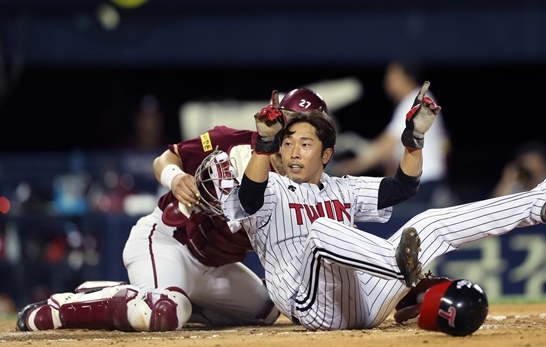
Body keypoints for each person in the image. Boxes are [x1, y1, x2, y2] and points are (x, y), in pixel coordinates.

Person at [222, 81, 546, 332]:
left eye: (305, 143)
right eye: (287, 143)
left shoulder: (342, 188)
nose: (294, 151)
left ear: (326, 154)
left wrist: (414, 141)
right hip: (311, 305)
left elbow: (403, 186)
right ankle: (400, 268)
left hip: (366, 301)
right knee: (323, 230)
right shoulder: (269, 187)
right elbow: (250, 198)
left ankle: (538, 202)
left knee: (429, 223)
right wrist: (264, 142)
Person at [16, 87, 329, 332]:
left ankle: (128, 293)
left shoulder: (305, 186)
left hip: (216, 266)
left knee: (265, 310)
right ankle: (61, 309)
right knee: (162, 312)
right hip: (169, 241)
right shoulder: (233, 143)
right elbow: (164, 159)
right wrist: (176, 177)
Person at [330, 61, 453, 208]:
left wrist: (345, 169)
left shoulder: (415, 101)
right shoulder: (414, 99)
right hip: (423, 180)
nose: (386, 81)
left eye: (392, 75)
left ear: (406, 77)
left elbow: (384, 147)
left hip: (423, 181)